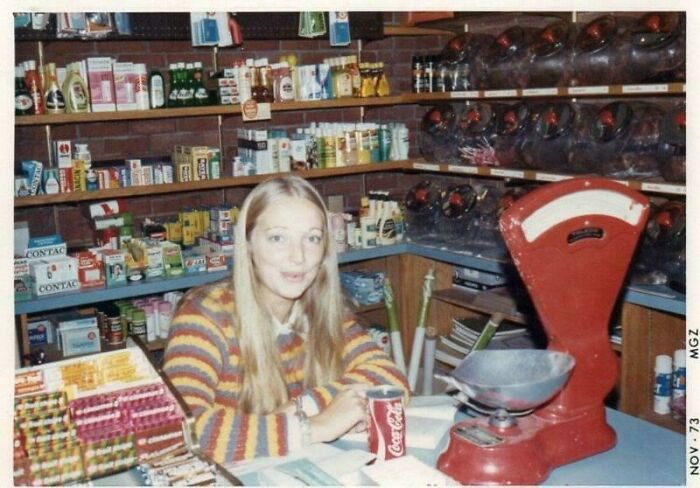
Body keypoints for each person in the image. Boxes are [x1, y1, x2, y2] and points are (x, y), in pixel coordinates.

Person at [163, 175, 408, 463]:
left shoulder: (325, 309)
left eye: (312, 238)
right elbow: (179, 433)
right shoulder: (204, 316)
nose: (298, 257)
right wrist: (313, 426)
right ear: (249, 244)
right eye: (278, 238)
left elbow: (390, 382)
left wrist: (304, 405)